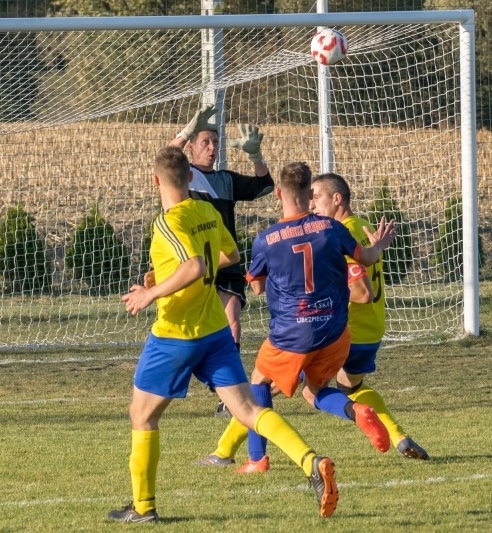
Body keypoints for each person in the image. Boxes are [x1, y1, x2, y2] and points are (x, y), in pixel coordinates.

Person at [108, 147, 339, 523]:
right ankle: (310, 461)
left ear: (156, 181)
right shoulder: (208, 211)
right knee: (248, 410)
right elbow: (229, 256)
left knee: (142, 416)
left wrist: (151, 292)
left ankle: (143, 507)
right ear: (189, 178)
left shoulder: (167, 221)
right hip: (216, 331)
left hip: (176, 335)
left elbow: (196, 265)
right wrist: (167, 277)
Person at [200, 162, 398, 473]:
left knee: (259, 381)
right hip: (335, 332)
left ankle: (257, 459)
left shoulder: (267, 239)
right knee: (313, 391)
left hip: (292, 333)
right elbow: (368, 258)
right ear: (309, 194)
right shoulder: (332, 229)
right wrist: (380, 244)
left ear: (278, 193)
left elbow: (257, 288)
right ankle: (356, 410)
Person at [311, 172, 429, 460]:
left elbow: (361, 291)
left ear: (336, 199)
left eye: (316, 197)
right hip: (371, 330)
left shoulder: (344, 234)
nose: (312, 204)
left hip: (347, 332)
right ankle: (399, 436)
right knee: (352, 387)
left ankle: (230, 452)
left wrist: (319, 292)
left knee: (275, 384)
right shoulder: (363, 226)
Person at [170, 105, 274, 418]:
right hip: (194, 264)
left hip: (226, 263)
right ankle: (197, 380)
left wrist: (256, 156)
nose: (212, 147)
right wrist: (187, 130)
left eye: (215, 142)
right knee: (191, 328)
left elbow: (264, 186)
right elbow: (164, 159)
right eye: (205, 141)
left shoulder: (226, 179)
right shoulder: (184, 178)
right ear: (191, 147)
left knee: (231, 323)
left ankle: (228, 397)